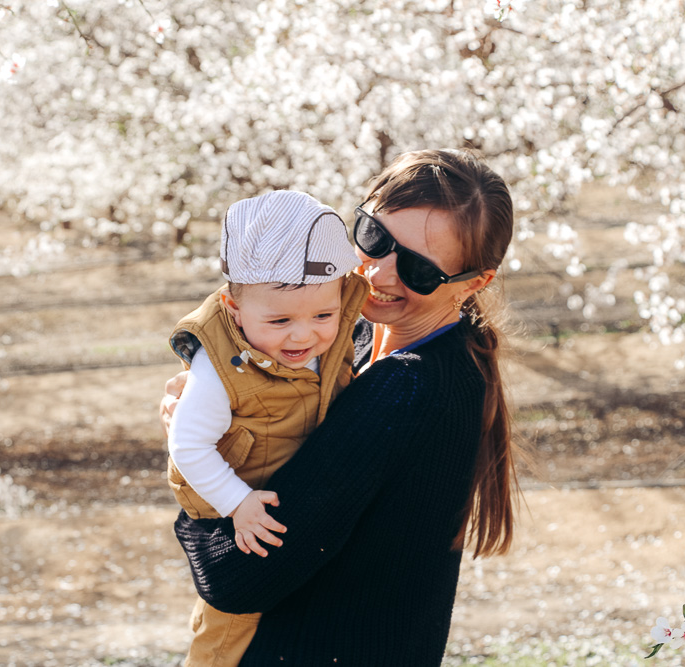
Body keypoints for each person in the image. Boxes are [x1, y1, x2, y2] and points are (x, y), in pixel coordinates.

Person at [161, 149, 523, 666]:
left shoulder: (407, 389)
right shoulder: (356, 345)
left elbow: (236, 579)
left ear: (474, 283)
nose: (377, 272)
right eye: (374, 237)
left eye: (419, 269)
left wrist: (195, 480)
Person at [166, 190, 370, 666]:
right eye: (279, 320)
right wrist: (236, 503)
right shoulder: (219, 371)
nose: (303, 335)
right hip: (236, 509)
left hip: (292, 497)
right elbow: (187, 443)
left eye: (323, 314)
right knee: (229, 623)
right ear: (233, 310)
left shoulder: (337, 338)